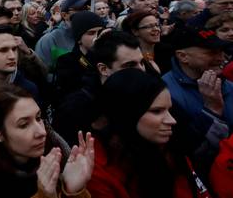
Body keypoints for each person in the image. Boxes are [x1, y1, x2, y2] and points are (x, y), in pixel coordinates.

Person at [0, 84, 94, 198]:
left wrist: (73, 191)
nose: (41, 132)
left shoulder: (57, 153)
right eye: (23, 125)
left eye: (39, 118)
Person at [88, 68, 207, 198]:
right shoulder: (98, 171)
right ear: (126, 115)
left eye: (169, 110)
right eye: (157, 111)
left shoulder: (171, 148)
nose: (172, 120)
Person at [162, 26, 233, 178]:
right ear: (183, 56)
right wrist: (212, 111)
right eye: (211, 53)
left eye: (221, 51)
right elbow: (188, 152)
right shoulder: (165, 93)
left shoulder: (227, 84)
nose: (221, 58)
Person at [35, 0, 88, 70]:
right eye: (78, 10)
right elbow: (43, 73)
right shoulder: (49, 40)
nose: (84, 13)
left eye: (86, 9)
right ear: (64, 15)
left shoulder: (91, 35)